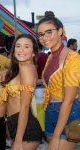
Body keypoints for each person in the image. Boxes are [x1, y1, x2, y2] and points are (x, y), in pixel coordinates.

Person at [37, 12, 80, 150]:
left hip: (68, 112)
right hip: (50, 111)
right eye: (41, 34)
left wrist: (56, 136)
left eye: (49, 32)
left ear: (60, 31)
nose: (44, 37)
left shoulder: (72, 58)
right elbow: (50, 82)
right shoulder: (50, 56)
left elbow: (69, 99)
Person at [2, 34, 42, 150]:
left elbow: (24, 106)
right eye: (18, 46)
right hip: (16, 124)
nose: (21, 50)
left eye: (26, 47)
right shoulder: (23, 67)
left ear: (34, 52)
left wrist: (18, 140)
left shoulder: (26, 69)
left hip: (26, 129)